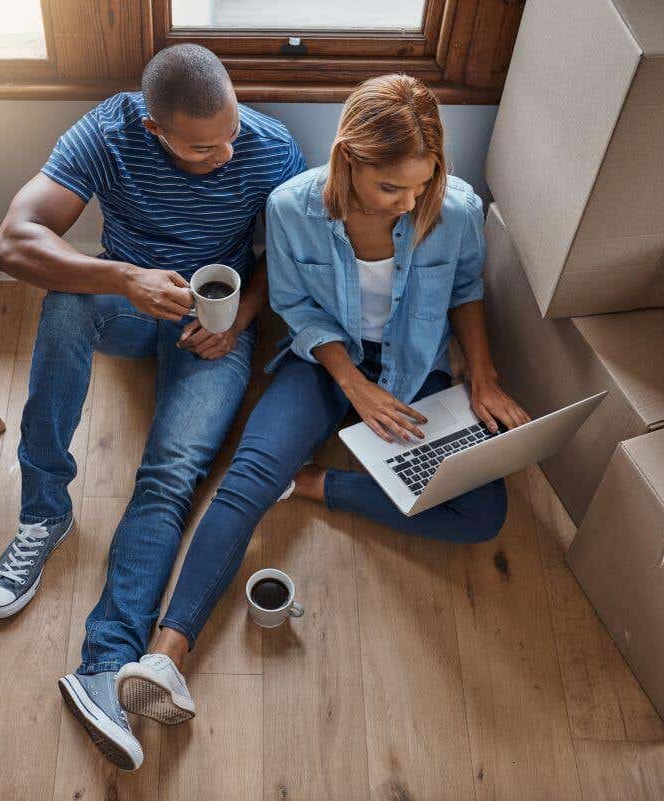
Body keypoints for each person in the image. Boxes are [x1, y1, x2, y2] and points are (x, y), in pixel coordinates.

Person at [112, 74, 532, 728]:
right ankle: (167, 654)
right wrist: (353, 384)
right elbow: (295, 306)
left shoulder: (455, 209)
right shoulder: (291, 207)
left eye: (423, 183)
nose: (410, 200)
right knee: (248, 474)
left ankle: (312, 485)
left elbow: (467, 288)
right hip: (321, 361)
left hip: (414, 363)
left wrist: (482, 375)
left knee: (483, 510)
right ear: (349, 160)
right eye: (393, 186)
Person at [0, 44, 306, 770]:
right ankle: (44, 511)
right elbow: (11, 242)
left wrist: (242, 319)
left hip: (212, 333)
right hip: (129, 306)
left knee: (168, 477)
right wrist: (125, 278)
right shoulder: (109, 132)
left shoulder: (268, 148)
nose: (225, 154)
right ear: (155, 128)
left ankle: (103, 666)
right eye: (202, 145)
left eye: (230, 133)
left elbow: (289, 258)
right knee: (68, 302)